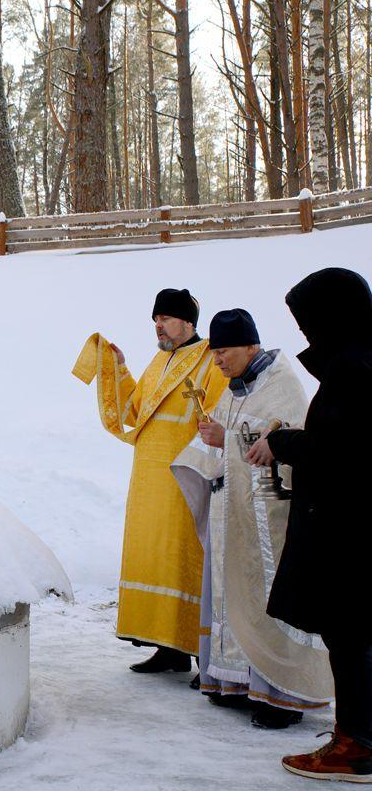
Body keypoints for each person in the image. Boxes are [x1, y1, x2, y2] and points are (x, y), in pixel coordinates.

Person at [239, 269, 372, 780]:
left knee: (350, 637)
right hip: (355, 523)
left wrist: (283, 442)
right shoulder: (360, 360)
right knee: (355, 636)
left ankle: (356, 745)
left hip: (348, 529)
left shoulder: (353, 369)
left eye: (309, 322)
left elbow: (339, 450)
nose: (305, 333)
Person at [171, 309, 331, 729]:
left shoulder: (282, 385)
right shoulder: (234, 390)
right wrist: (211, 444)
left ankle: (282, 695)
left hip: (270, 521)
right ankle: (237, 681)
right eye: (214, 353)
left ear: (251, 346)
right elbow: (227, 439)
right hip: (233, 516)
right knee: (233, 596)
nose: (218, 361)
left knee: (267, 599)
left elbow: (295, 444)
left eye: (224, 352)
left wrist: (228, 440)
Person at [72, 288, 226, 674]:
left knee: (185, 559)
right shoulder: (160, 361)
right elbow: (135, 411)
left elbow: (219, 414)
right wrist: (119, 368)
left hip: (185, 475)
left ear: (187, 321)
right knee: (156, 559)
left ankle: (202, 655)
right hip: (148, 479)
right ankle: (168, 648)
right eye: (155, 319)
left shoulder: (209, 359)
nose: (158, 325)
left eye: (166, 318)